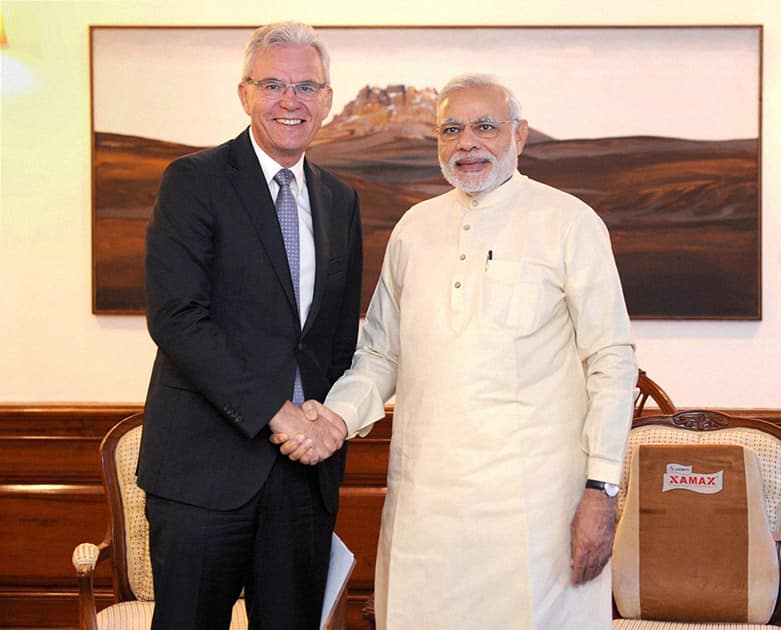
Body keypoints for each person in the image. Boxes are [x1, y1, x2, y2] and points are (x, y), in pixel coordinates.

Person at [275, 73, 637, 629]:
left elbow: (611, 361)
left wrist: (601, 489)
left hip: (536, 509)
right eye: (451, 129)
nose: (467, 142)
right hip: (427, 508)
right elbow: (379, 354)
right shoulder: (415, 229)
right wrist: (334, 420)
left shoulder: (569, 223)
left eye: (485, 126)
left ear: (518, 137)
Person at [137, 21, 361, 630]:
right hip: (203, 474)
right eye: (274, 84)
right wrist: (276, 412)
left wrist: (323, 424)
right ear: (245, 94)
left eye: (307, 86)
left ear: (328, 100)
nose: (291, 100)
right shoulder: (194, 181)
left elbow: (338, 339)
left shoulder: (340, 200)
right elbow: (178, 318)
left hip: (302, 478)